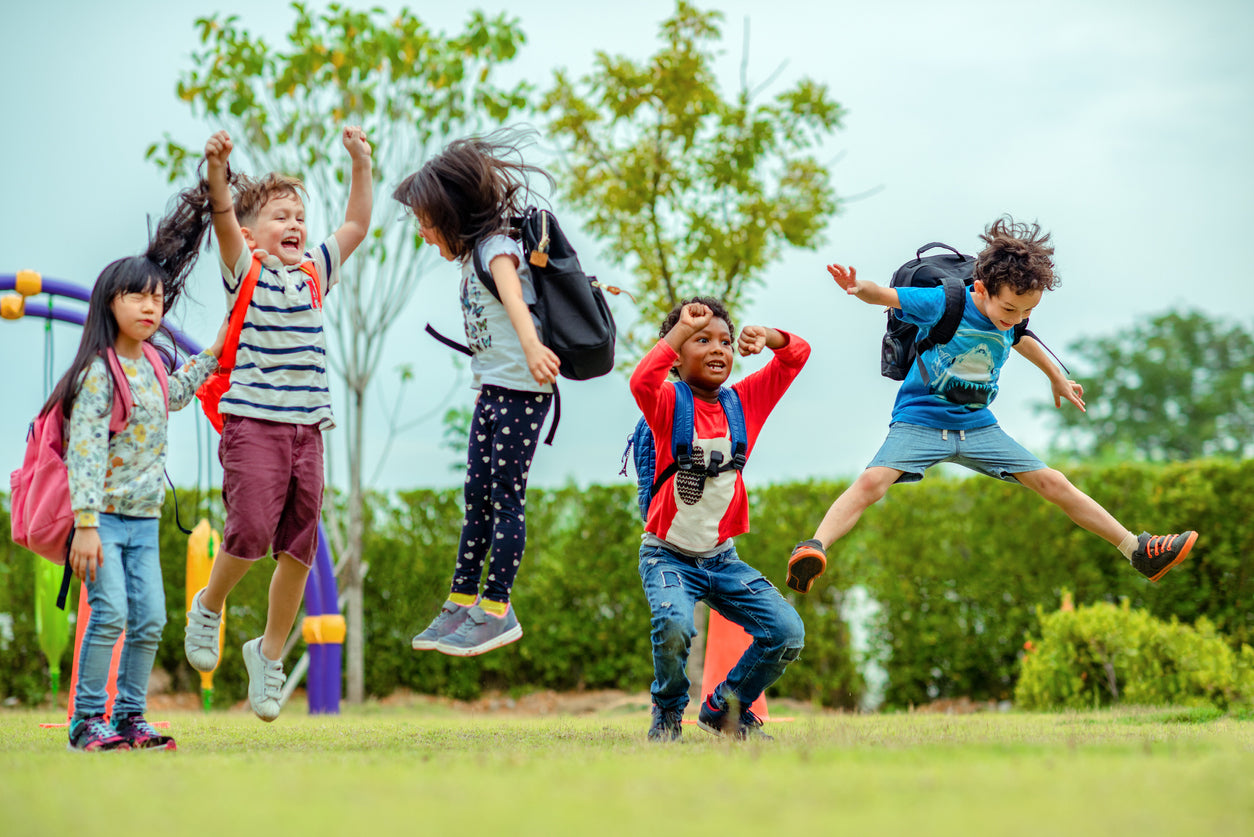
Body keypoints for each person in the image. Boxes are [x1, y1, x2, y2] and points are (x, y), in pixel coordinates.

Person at [786, 217, 1198, 595]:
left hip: (979, 426)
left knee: (1053, 482)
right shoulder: (944, 303)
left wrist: (1055, 376)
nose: (1016, 317)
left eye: (1027, 310)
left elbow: (1023, 339)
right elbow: (888, 296)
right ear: (981, 289)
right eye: (1009, 308)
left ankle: (1137, 550)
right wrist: (861, 290)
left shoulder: (1013, 317)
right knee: (871, 484)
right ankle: (814, 546)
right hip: (920, 421)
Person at [183, 127, 373, 722]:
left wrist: (361, 163)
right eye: (279, 216)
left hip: (308, 430)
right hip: (254, 425)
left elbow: (358, 225)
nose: (294, 225)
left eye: (300, 216)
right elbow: (220, 213)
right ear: (250, 231)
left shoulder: (315, 272)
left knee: (298, 547)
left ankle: (266, 654)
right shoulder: (246, 269)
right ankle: (208, 604)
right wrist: (218, 170)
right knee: (248, 532)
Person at [54, 182, 228, 751]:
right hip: (100, 519)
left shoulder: (152, 363)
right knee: (108, 616)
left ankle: (130, 718)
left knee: (149, 618)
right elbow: (83, 450)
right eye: (137, 297)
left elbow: (176, 394)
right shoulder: (97, 373)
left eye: (156, 298)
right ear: (110, 303)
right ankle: (86, 722)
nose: (150, 307)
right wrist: (83, 525)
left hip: (145, 521)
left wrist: (218, 348)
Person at [392, 132, 559, 657]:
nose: (422, 233)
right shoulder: (471, 257)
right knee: (477, 501)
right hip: (493, 390)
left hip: (521, 391)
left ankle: (496, 609)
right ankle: (462, 601)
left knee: (506, 500)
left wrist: (532, 347)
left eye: (426, 221)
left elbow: (511, 293)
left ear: (453, 213)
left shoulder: (496, 248)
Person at [631, 297, 809, 741]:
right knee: (674, 624)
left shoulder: (744, 402)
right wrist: (676, 333)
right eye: (701, 339)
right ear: (676, 354)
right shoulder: (668, 403)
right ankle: (668, 712)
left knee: (786, 632)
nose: (717, 349)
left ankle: (725, 709)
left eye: (725, 341)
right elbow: (641, 380)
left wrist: (767, 337)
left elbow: (798, 355)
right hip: (667, 557)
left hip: (722, 560)